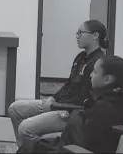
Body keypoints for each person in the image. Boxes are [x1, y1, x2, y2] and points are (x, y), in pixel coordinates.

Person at [8, 20, 108, 153]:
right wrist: (52, 99)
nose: (77, 36)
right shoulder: (81, 57)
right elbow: (68, 85)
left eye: (80, 33)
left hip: (71, 112)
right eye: (76, 33)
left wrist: (56, 106)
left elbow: (86, 97)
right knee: (15, 108)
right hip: (59, 104)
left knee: (25, 128)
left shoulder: (99, 63)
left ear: (95, 35)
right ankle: (24, 150)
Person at [53, 57, 123, 153]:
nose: (91, 75)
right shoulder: (120, 99)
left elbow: (89, 143)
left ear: (107, 79)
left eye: (95, 72)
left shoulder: (105, 108)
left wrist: (76, 117)